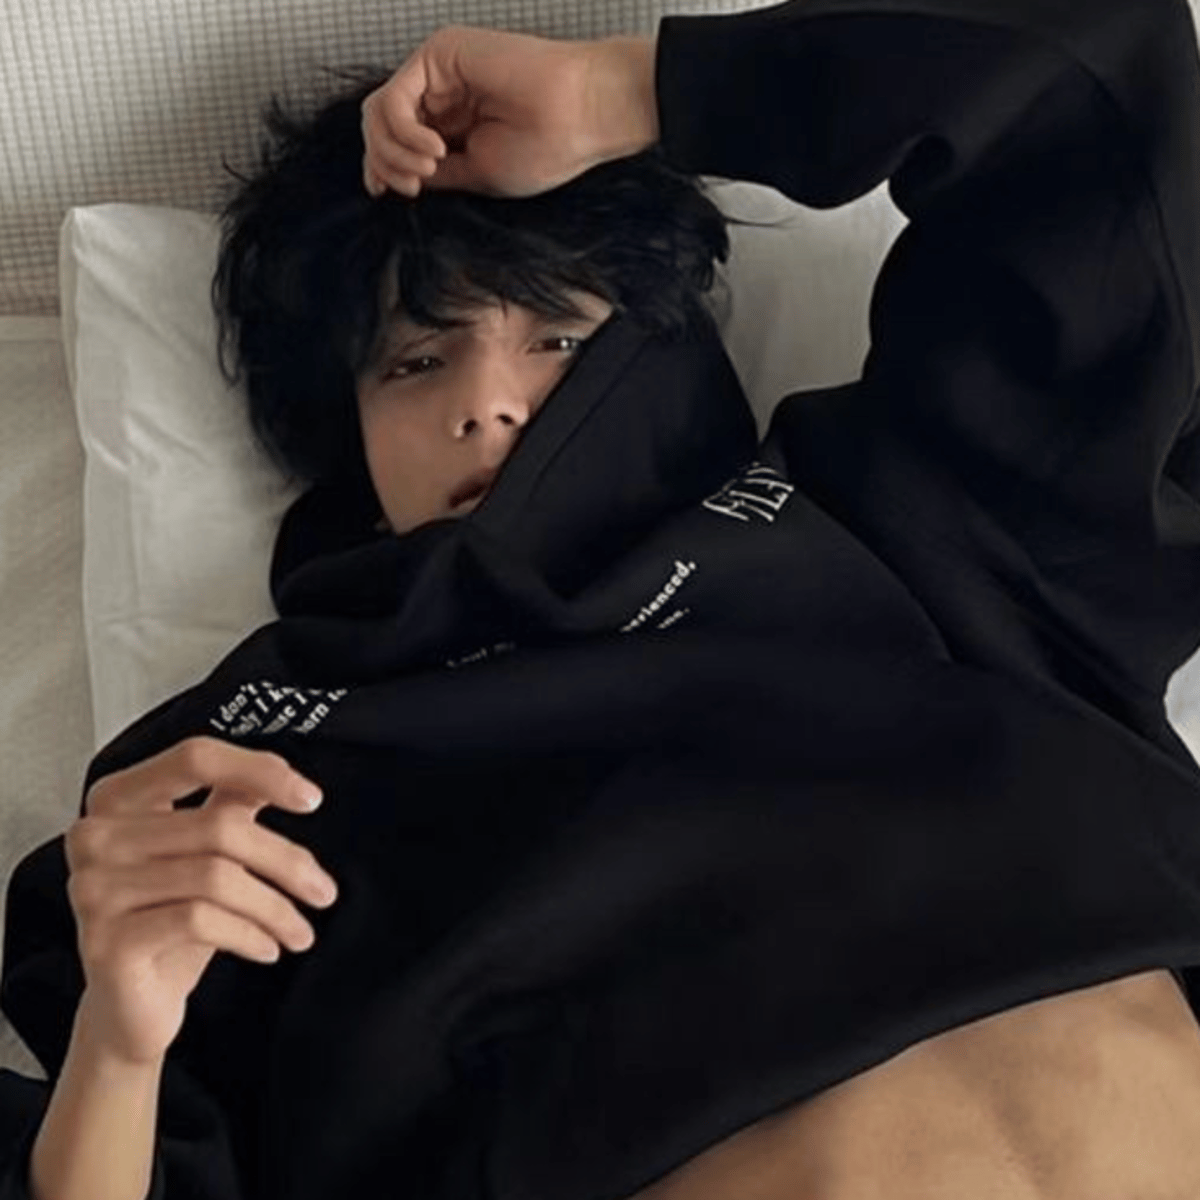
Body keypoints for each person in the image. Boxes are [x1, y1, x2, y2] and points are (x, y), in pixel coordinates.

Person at [3, 1, 1200, 1198]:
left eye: (561, 338)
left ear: (668, 353)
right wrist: (118, 1047)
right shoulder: (241, 781)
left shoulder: (914, 521)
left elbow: (1088, 75)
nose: (486, 402)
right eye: (416, 359)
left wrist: (634, 96)